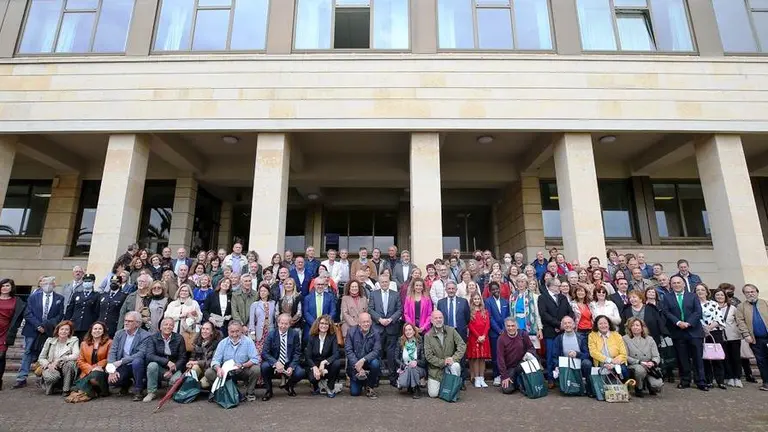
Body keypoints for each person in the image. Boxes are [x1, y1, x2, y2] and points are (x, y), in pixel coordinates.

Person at [14, 276, 64, 389]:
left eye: (50, 283)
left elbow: (60, 315)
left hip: (48, 331)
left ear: (54, 285)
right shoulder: (33, 297)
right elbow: (27, 313)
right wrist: (38, 325)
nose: (48, 285)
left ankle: (42, 377)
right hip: (32, 329)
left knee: (46, 354)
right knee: (28, 352)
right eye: (45, 283)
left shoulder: (59, 298)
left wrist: (46, 326)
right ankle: (21, 378)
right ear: (41, 285)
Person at [662, 275, 707, 391]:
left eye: (678, 283)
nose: (676, 285)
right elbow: (666, 312)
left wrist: (688, 323)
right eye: (674, 283)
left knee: (697, 358)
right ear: (671, 285)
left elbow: (698, 312)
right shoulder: (667, 297)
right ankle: (685, 380)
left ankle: (700, 381)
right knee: (682, 358)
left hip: (694, 331)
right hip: (678, 332)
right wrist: (678, 322)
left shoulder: (693, 296)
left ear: (683, 284)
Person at [206, 320, 261, 402]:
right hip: (226, 372)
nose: (235, 334)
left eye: (237, 331)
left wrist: (243, 365)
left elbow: (255, 359)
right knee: (209, 372)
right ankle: (221, 392)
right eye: (232, 332)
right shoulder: (223, 343)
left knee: (256, 369)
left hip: (242, 369)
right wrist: (218, 369)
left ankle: (250, 393)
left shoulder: (248, 342)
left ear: (241, 331)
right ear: (228, 331)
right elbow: (215, 360)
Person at [538, 277, 574, 387]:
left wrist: (565, 324)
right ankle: (550, 378)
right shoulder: (542, 297)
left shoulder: (563, 297)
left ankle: (563, 378)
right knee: (550, 356)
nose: (560, 288)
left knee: (562, 355)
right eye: (558, 286)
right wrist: (558, 324)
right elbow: (544, 314)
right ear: (551, 286)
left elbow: (570, 312)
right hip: (550, 331)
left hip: (564, 332)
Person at [107, 311, 151, 401]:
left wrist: (121, 361)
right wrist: (112, 370)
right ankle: (126, 384)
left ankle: (138, 390)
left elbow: (141, 354)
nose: (126, 323)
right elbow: (112, 351)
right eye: (125, 320)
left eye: (130, 321)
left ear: (138, 324)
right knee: (112, 381)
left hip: (138, 365)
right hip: (122, 366)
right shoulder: (119, 334)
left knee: (137, 361)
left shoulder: (145, 336)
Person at [368, 273, 403, 387]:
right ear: (379, 283)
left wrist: (391, 319)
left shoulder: (396, 294)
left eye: (386, 282)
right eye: (382, 282)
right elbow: (370, 309)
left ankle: (393, 378)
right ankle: (376, 377)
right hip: (378, 328)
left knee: (391, 355)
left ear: (389, 282)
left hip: (392, 328)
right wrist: (379, 319)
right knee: (377, 353)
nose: (384, 284)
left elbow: (399, 309)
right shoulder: (373, 294)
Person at [261, 314, 305, 400]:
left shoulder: (294, 334)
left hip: (289, 362)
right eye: (281, 323)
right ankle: (269, 390)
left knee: (301, 372)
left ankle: (289, 386)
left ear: (290, 324)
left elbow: (297, 353)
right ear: (278, 323)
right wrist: (276, 363)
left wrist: (292, 367)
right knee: (264, 366)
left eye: (286, 324)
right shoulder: (271, 334)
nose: (283, 326)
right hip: (275, 361)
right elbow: (264, 353)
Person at [424, 310, 466, 398]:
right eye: (436, 318)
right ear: (431, 320)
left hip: (450, 364)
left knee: (456, 366)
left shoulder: (451, 330)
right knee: (433, 394)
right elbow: (429, 356)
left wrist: (454, 358)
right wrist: (443, 362)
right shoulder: (427, 336)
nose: (438, 320)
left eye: (440, 317)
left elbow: (462, 345)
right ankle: (443, 384)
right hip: (436, 370)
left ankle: (454, 388)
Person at [143, 317, 187, 402]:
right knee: (152, 366)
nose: (168, 327)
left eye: (171, 325)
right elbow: (149, 355)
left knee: (176, 380)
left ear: (173, 327)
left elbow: (183, 357)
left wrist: (172, 370)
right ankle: (151, 392)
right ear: (160, 327)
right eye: (166, 324)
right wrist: (166, 362)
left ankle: (170, 390)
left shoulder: (179, 338)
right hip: (160, 368)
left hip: (175, 368)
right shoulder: (153, 338)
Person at [66, 321, 111, 402]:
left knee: (95, 376)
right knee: (91, 376)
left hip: (102, 371)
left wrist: (96, 367)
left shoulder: (109, 342)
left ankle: (101, 391)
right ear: (91, 330)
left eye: (100, 329)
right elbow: (80, 360)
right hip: (87, 371)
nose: (97, 331)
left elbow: (109, 358)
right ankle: (92, 392)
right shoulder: (84, 343)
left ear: (103, 331)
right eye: (95, 329)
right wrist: (91, 368)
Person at [734, 284, 768, 391]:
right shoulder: (741, 307)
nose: (750, 294)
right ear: (744, 294)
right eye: (747, 292)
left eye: (752, 291)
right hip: (755, 339)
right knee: (761, 361)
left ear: (757, 292)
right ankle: (766, 382)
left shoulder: (765, 303)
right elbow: (740, 321)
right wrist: (746, 334)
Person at [552, 316, 593, 397]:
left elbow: (587, 354)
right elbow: (555, 356)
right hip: (566, 365)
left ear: (574, 325)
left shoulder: (581, 338)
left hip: (579, 363)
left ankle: (589, 387)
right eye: (565, 323)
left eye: (569, 323)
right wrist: (557, 366)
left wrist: (577, 354)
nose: (567, 325)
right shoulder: (558, 339)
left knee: (587, 363)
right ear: (562, 326)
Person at [695, 283, 726, 389]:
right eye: (698, 290)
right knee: (705, 357)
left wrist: (709, 327)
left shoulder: (714, 303)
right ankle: (708, 380)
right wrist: (704, 329)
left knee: (717, 357)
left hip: (714, 332)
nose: (700, 292)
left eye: (702, 290)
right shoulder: (694, 305)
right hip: (700, 332)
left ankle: (720, 381)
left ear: (707, 292)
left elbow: (719, 318)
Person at [496, 317, 537, 395]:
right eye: (508, 326)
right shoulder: (501, 339)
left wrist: (528, 354)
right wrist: (504, 376)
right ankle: (517, 382)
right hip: (510, 368)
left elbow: (531, 348)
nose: (511, 328)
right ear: (505, 327)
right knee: (507, 390)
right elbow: (500, 358)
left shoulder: (523, 334)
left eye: (513, 326)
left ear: (516, 326)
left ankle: (521, 381)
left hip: (523, 365)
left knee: (529, 386)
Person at [38, 320, 80, 395]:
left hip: (64, 365)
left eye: (67, 330)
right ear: (58, 330)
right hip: (51, 366)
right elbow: (41, 357)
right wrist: (48, 365)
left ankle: (66, 389)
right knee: (52, 377)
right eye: (62, 329)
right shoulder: (50, 341)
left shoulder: (74, 340)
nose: (64, 331)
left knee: (70, 364)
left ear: (70, 332)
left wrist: (59, 360)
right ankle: (52, 387)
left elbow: (76, 355)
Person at [345, 312, 381, 398]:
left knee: (375, 363)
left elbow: (376, 351)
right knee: (355, 393)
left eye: (368, 321)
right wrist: (358, 366)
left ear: (371, 322)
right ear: (359, 323)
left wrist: (363, 360)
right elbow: (348, 351)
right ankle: (362, 381)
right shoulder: (351, 332)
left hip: (368, 362)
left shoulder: (376, 332)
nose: (366, 324)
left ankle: (370, 386)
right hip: (355, 364)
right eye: (364, 322)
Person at [623, 317, 662, 397]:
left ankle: (649, 384)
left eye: (637, 325)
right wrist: (639, 362)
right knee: (640, 370)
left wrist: (653, 362)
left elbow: (656, 355)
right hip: (635, 365)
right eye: (632, 325)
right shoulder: (625, 339)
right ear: (629, 327)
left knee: (657, 385)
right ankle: (638, 388)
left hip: (649, 366)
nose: (635, 327)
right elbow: (625, 356)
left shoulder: (650, 339)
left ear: (642, 327)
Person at [304, 314, 341, 397]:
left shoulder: (332, 336)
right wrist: (314, 367)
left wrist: (324, 362)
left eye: (326, 324)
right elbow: (308, 356)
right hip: (314, 364)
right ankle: (316, 386)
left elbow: (336, 353)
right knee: (313, 378)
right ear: (318, 324)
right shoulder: (312, 336)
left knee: (337, 363)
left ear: (329, 326)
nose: (324, 326)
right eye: (322, 323)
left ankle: (330, 387)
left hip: (327, 363)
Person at [714, 287, 742, 388]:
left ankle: (737, 377)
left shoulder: (733, 308)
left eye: (721, 295)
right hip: (720, 336)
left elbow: (739, 321)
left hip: (733, 336)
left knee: (736, 358)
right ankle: (729, 376)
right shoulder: (712, 307)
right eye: (717, 295)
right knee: (725, 358)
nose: (720, 297)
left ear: (725, 296)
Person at [0, 279, 25, 389]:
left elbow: (19, 317)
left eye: (7, 285)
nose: (5, 288)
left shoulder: (17, 300)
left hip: (6, 330)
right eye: (2, 285)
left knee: (1, 356)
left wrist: (15, 328)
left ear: (11, 287)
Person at [484, 281, 509, 386]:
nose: (495, 291)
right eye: (493, 289)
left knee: (506, 354)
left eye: (497, 288)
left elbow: (508, 316)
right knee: (495, 355)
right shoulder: (488, 301)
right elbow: (490, 317)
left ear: (500, 289)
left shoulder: (505, 301)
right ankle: (496, 375)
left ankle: (505, 374)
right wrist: (499, 330)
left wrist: (504, 329)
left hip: (505, 332)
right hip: (495, 333)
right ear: (490, 291)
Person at [164, 284, 202, 351]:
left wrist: (190, 316)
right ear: (179, 292)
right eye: (182, 290)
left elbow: (199, 317)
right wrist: (179, 316)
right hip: (173, 330)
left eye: (186, 291)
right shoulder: (172, 304)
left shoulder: (194, 303)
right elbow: (166, 316)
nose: (183, 292)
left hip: (188, 331)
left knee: (185, 350)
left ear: (189, 293)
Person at [394, 322, 426, 398]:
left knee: (412, 367)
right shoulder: (400, 341)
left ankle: (416, 389)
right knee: (406, 377)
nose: (408, 332)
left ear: (414, 331)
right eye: (406, 330)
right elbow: (396, 358)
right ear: (404, 332)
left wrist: (416, 362)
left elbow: (424, 360)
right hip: (404, 368)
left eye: (410, 329)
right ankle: (410, 385)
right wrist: (403, 365)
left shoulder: (420, 341)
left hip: (419, 369)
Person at [187, 321, 221, 389]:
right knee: (194, 368)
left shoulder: (217, 344)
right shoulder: (197, 341)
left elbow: (211, 362)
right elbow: (192, 356)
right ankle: (192, 389)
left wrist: (196, 362)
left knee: (203, 384)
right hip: (199, 369)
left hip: (210, 370)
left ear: (212, 332)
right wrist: (190, 363)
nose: (204, 331)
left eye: (207, 329)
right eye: (203, 329)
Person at [64, 274, 100, 340]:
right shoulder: (76, 294)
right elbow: (69, 310)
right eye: (85, 281)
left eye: (89, 281)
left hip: (87, 326)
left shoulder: (96, 295)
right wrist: (67, 322)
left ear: (93, 282)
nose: (87, 283)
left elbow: (97, 312)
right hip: (75, 325)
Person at [466, 293, 491, 388]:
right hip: (474, 338)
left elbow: (487, 324)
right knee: (476, 358)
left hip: (484, 337)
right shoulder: (470, 312)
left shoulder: (485, 311)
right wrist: (478, 336)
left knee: (482, 358)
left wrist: (484, 335)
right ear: (472, 300)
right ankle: (476, 378)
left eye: (478, 299)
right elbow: (470, 326)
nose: (477, 301)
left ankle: (482, 378)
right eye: (475, 299)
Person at [303, 276, 336, 342]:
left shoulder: (330, 297)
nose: (320, 286)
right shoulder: (308, 298)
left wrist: (324, 323)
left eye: (322, 284)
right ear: (314, 285)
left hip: (326, 326)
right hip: (311, 326)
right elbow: (306, 313)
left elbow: (333, 311)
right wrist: (316, 324)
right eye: (318, 284)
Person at [248, 283, 276, 354]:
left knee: (269, 350)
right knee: (258, 351)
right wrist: (252, 332)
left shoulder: (273, 303)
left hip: (270, 330)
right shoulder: (255, 304)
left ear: (268, 292)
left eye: (264, 291)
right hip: (259, 331)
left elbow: (275, 318)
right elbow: (251, 320)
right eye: (261, 291)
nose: (262, 293)